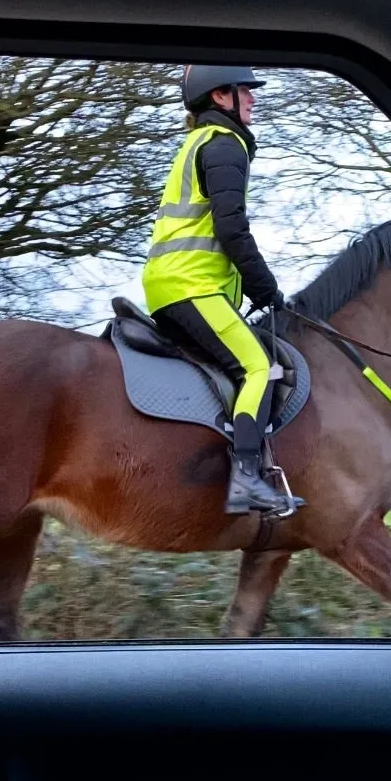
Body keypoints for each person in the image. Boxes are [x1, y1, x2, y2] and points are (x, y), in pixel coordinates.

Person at [142, 65, 301, 516]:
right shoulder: (225, 146)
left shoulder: (198, 143)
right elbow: (232, 230)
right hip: (192, 284)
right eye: (244, 90)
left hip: (173, 284)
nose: (252, 98)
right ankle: (246, 481)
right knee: (259, 369)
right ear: (220, 97)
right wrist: (266, 289)